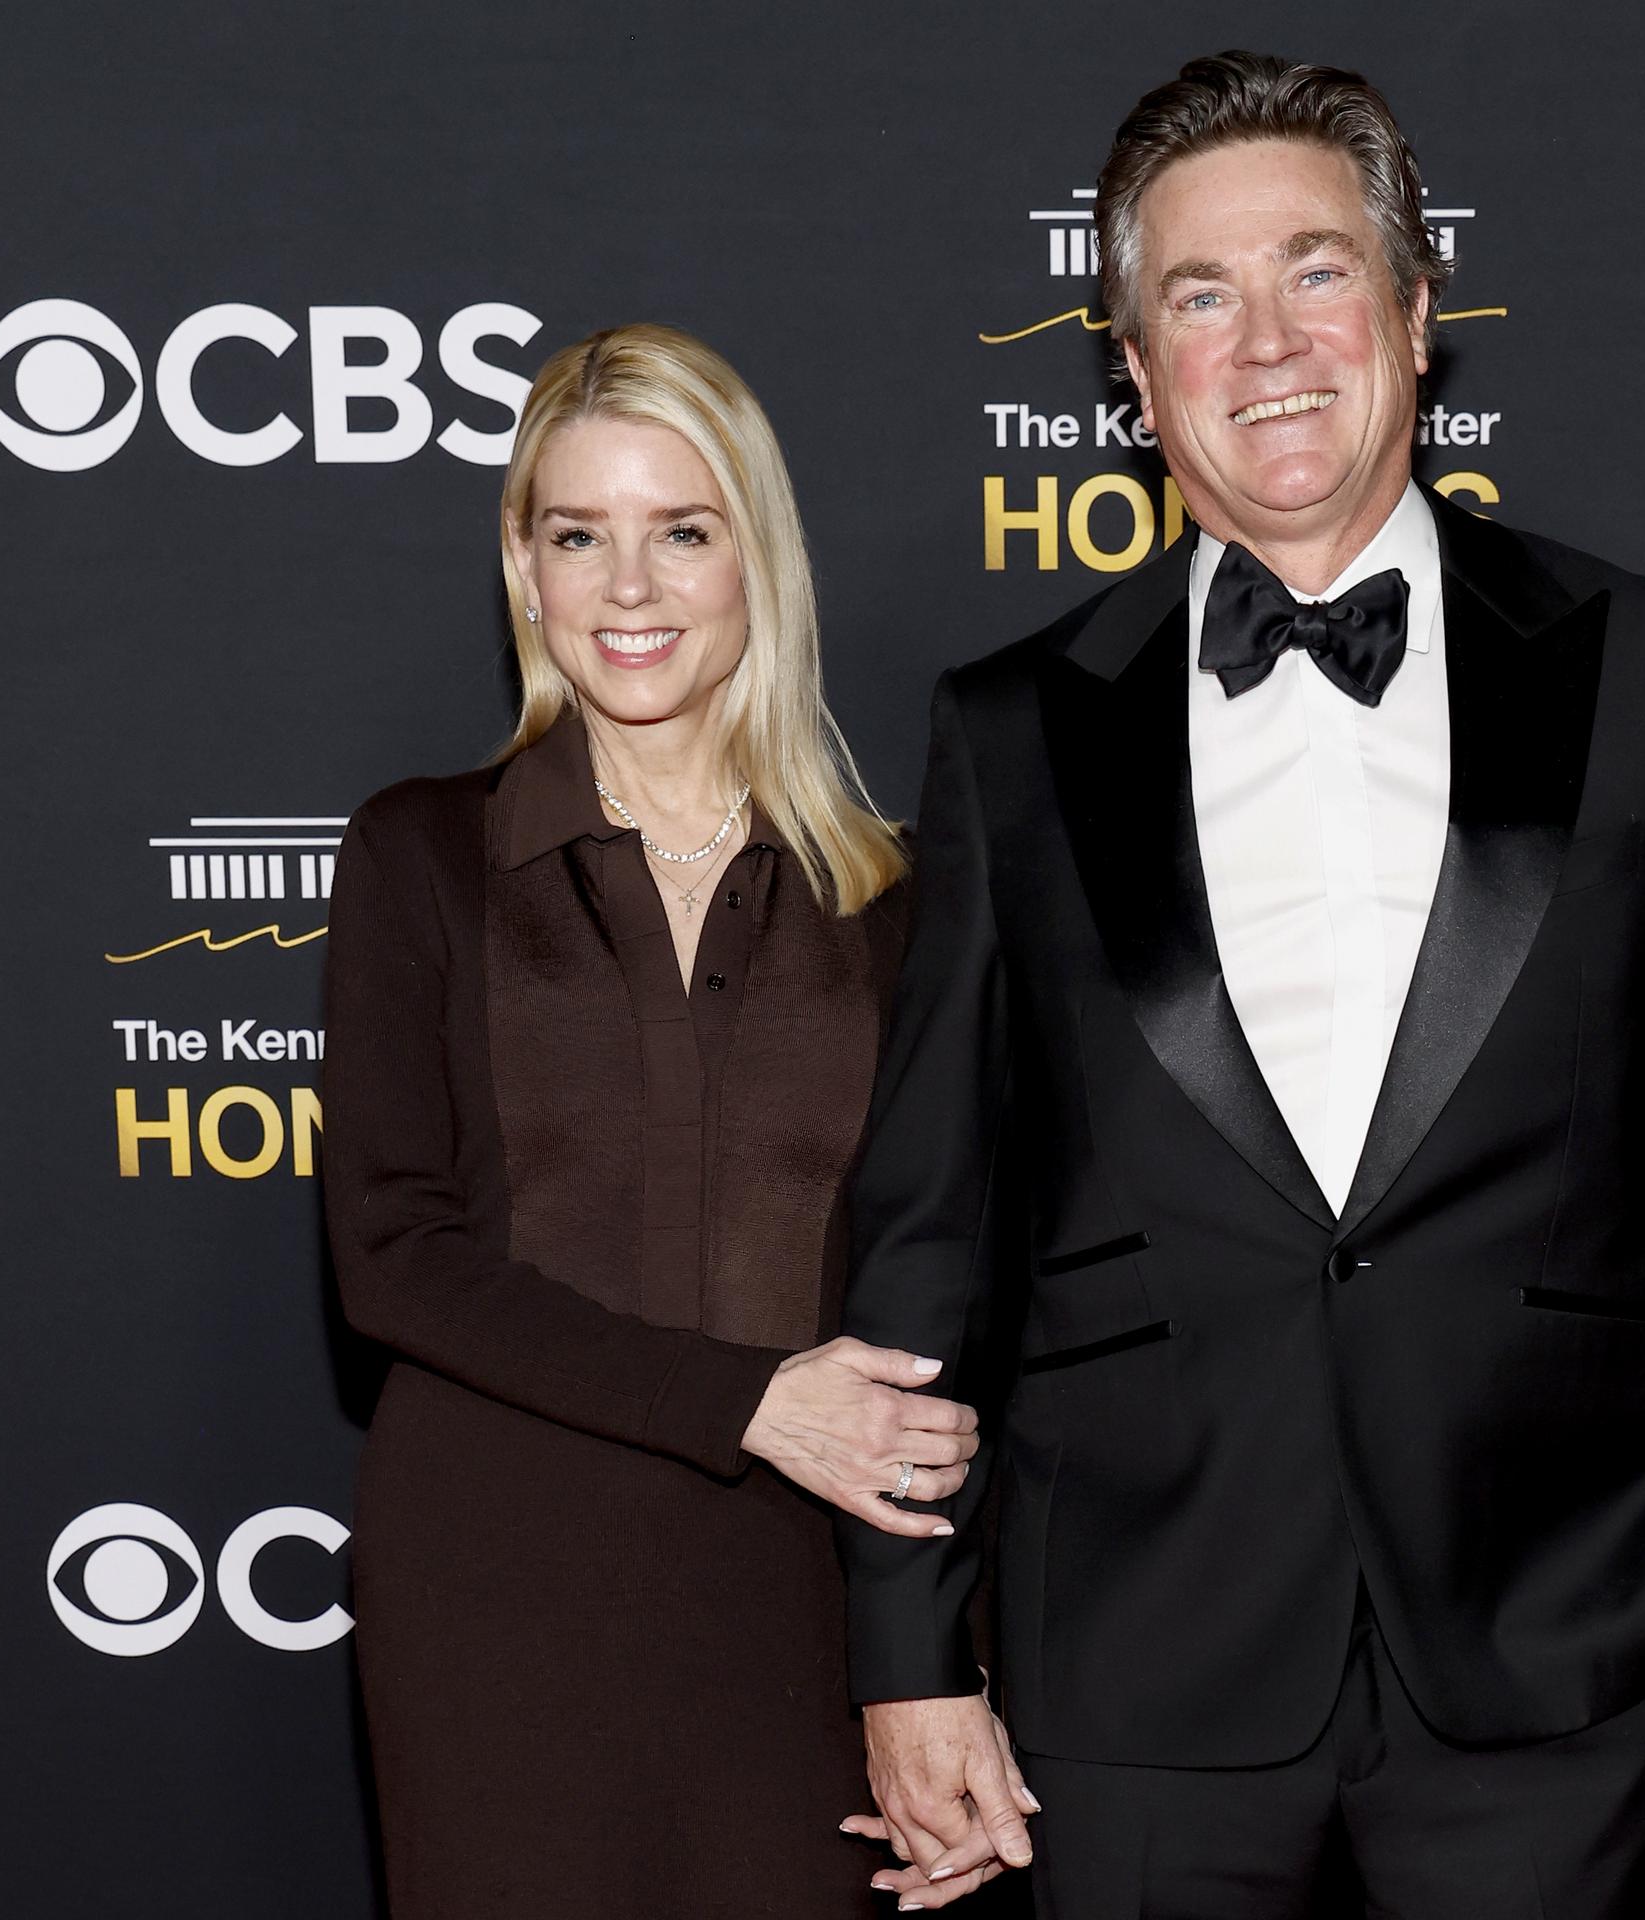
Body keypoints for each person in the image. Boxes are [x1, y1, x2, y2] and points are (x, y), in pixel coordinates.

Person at [836, 51, 1645, 1918]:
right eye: (1200, 297)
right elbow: (927, 1234)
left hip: (1566, 1660)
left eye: (1317, 270)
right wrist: (909, 1652)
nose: (1270, 342)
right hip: (1132, 1677)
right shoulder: (1011, 728)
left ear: (1417, 313)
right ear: (1136, 375)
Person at [323, 323, 981, 1918]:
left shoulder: (895, 899)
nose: (629, 587)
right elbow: (394, 1259)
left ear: (757, 559)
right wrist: (752, 1403)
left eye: (682, 530)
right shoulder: (423, 855)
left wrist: (947, 1659)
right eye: (578, 536)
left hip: (799, 1616)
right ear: (523, 568)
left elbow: (945, 1302)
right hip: (491, 1601)